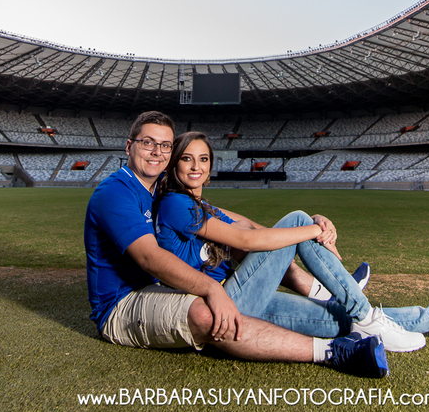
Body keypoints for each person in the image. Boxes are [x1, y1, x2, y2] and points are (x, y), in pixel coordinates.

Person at [84, 111, 390, 377]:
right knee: (207, 313)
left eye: (164, 145)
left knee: (323, 312)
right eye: (147, 142)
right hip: (121, 303)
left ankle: (415, 315)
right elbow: (150, 258)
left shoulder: (161, 192)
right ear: (129, 146)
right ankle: (333, 352)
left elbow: (242, 224)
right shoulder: (116, 192)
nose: (156, 151)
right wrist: (212, 288)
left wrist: (311, 226)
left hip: (163, 288)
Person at [153, 131, 429, 352]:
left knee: (337, 320)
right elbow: (246, 239)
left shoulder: (202, 206)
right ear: (175, 164)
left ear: (211, 166)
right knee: (297, 220)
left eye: (203, 159)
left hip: (240, 302)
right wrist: (310, 228)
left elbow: (251, 225)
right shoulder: (175, 204)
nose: (196, 166)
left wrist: (314, 223)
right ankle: (360, 309)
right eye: (187, 159)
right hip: (221, 308)